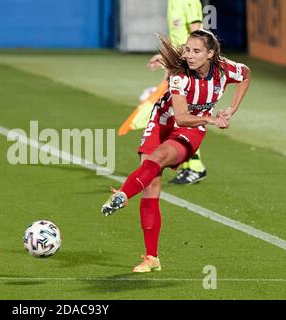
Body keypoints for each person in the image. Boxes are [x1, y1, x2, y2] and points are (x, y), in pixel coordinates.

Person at [102, 29, 250, 273]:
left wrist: (233, 108)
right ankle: (152, 258)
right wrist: (213, 119)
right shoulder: (180, 76)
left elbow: (246, 74)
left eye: (196, 51)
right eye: (187, 50)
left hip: (191, 130)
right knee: (151, 185)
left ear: (211, 54)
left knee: (157, 159)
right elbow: (181, 116)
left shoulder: (225, 70)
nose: (189, 55)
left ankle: (123, 195)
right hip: (162, 121)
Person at [149, 0, 207, 185]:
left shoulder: (189, 1)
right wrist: (166, 58)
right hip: (179, 66)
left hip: (190, 68)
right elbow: (178, 39)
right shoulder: (174, 1)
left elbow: (198, 38)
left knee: (185, 117)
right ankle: (187, 165)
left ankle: (195, 167)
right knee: (175, 116)